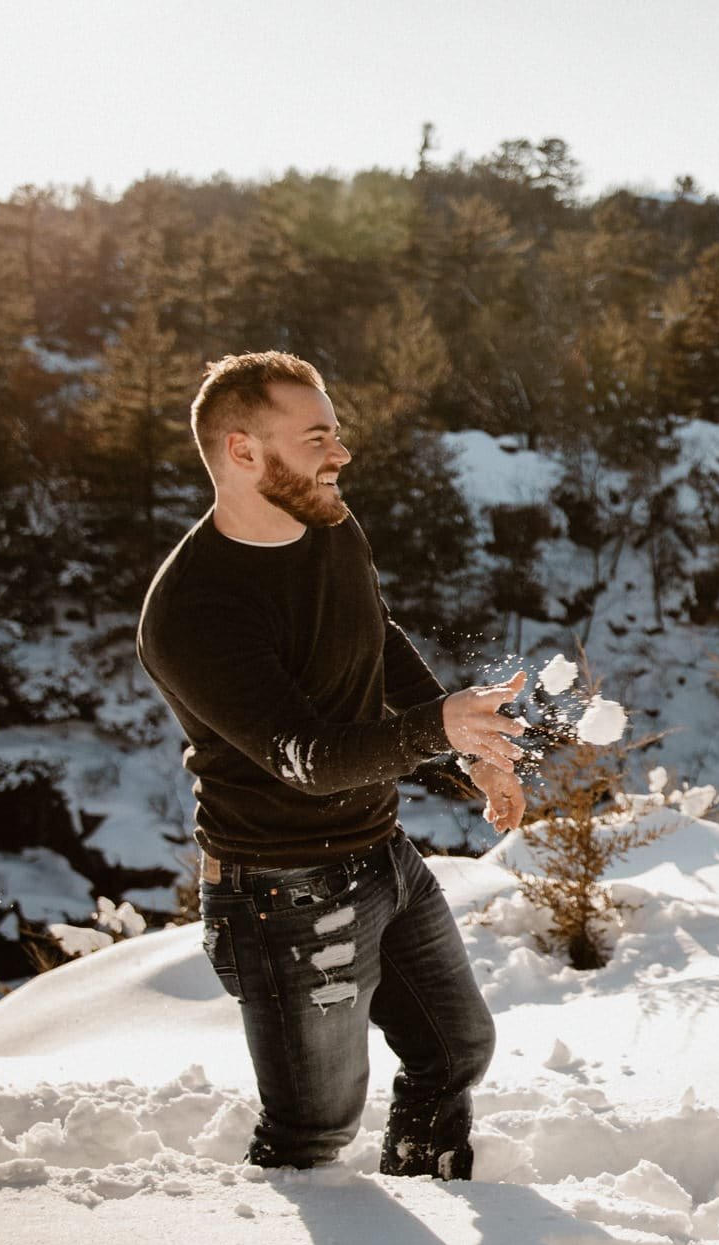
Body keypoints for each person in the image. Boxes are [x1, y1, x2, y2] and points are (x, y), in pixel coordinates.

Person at [137, 351, 527, 1179]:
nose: (340, 454)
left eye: (336, 433)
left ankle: (427, 1220)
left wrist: (468, 756)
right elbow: (306, 758)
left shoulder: (330, 523)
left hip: (380, 850)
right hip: (281, 891)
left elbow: (375, 641)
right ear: (243, 452)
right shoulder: (194, 610)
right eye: (317, 437)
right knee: (315, 1125)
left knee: (457, 1048)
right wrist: (440, 726)